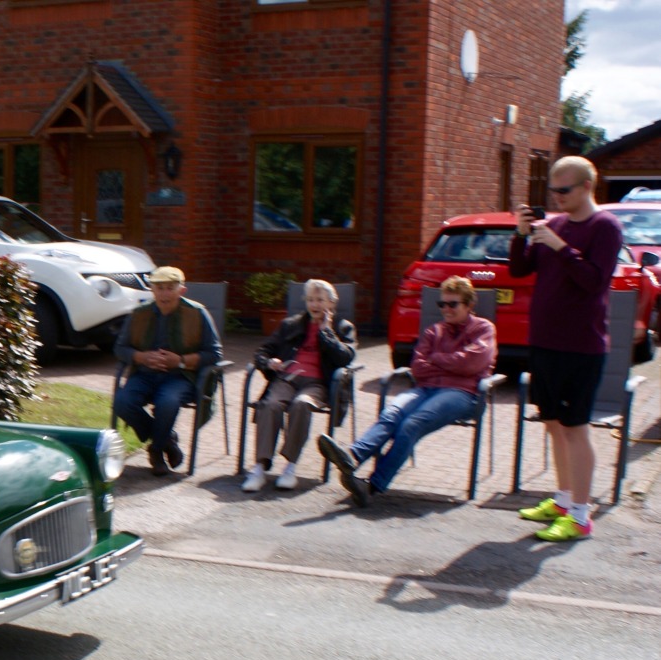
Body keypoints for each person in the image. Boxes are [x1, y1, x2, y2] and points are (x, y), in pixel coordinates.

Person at [508, 155, 623, 541]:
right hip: (545, 342)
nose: (556, 198)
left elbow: (594, 281)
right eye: (552, 190)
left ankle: (580, 514)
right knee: (554, 425)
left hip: (581, 346)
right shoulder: (553, 224)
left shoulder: (604, 226)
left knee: (576, 429)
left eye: (563, 190)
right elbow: (519, 270)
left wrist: (560, 246)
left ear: (586, 187)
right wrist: (521, 234)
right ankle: (561, 500)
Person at [318, 276, 496, 506]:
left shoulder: (483, 328)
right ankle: (352, 457)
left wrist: (438, 358)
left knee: (412, 423)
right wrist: (448, 361)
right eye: (442, 304)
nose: (446, 309)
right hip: (426, 388)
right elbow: (418, 367)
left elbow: (473, 362)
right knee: (392, 413)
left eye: (453, 304)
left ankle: (372, 486)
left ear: (469, 305)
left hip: (463, 393)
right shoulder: (434, 331)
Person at [242, 279, 357, 492]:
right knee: (270, 404)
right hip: (287, 379)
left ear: (331, 303)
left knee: (301, 404)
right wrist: (269, 362)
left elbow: (345, 358)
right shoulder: (290, 325)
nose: (315, 305)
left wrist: (327, 333)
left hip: (318, 384)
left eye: (320, 300)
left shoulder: (343, 327)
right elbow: (262, 351)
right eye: (311, 300)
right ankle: (259, 467)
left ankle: (290, 467)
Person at [113, 266, 223, 476]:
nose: (164, 294)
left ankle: (156, 450)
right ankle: (167, 440)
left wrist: (179, 361)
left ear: (181, 290)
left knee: (168, 401)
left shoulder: (197, 313)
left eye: (170, 288)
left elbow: (215, 353)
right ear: (152, 290)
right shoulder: (139, 314)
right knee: (122, 401)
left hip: (181, 376)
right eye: (159, 288)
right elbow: (120, 348)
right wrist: (142, 357)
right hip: (145, 374)